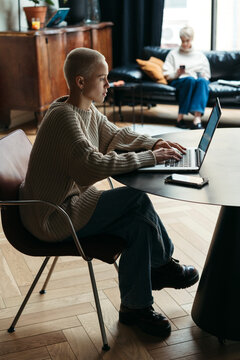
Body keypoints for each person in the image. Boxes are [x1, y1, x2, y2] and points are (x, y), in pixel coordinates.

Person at [19, 47, 199, 338]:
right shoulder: (64, 118)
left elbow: (116, 135)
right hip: (53, 216)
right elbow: (91, 166)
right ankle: (163, 265)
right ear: (80, 82)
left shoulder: (84, 110)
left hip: (70, 204)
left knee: (138, 225)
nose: (108, 85)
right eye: (102, 79)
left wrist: (154, 145)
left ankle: (135, 307)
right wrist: (151, 158)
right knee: (135, 198)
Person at [163, 26, 211, 130]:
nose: (184, 44)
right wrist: (177, 73)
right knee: (189, 80)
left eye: (187, 41)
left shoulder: (200, 55)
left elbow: (207, 74)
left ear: (192, 39)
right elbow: (166, 74)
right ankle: (180, 118)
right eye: (182, 41)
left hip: (196, 80)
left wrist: (203, 76)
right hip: (180, 80)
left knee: (202, 81)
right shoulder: (173, 54)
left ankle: (196, 120)